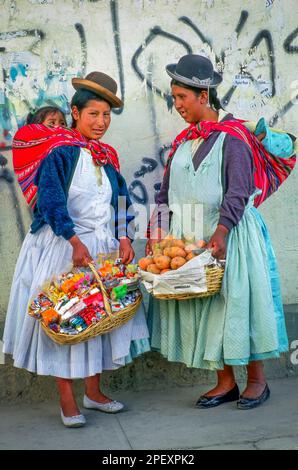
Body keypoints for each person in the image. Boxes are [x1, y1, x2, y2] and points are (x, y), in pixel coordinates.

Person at [3, 71, 150, 427]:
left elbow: (120, 201)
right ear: (75, 112)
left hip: (101, 249)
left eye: (106, 116)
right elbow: (51, 203)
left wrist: (126, 238)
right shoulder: (61, 153)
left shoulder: (106, 156)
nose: (100, 123)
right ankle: (68, 399)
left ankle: (95, 393)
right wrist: (73, 241)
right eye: (92, 115)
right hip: (64, 247)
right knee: (66, 318)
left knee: (98, 319)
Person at [147, 54, 293, 410]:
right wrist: (158, 227)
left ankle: (257, 380)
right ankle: (225, 382)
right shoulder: (183, 143)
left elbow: (239, 190)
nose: (176, 104)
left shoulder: (234, 137)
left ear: (203, 94)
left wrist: (223, 231)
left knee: (240, 304)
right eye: (174, 97)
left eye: (181, 97)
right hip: (191, 240)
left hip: (230, 234)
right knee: (211, 309)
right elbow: (165, 192)